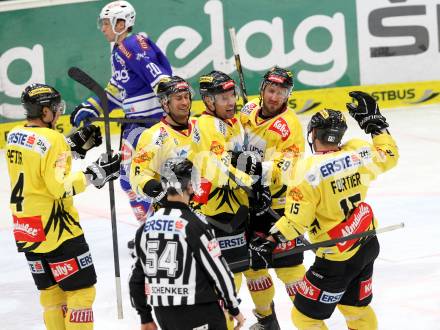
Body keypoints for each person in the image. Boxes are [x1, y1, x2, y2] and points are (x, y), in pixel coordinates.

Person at [254, 92, 399, 329]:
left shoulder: (306, 172)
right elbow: (390, 156)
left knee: (305, 317)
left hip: (335, 261)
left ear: (312, 134)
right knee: (356, 310)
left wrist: (268, 241)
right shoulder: (358, 153)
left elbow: (295, 223)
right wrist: (376, 124)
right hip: (366, 244)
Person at [6, 83, 121, 330]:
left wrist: (73, 148)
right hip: (58, 231)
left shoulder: (14, 135)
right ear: (45, 112)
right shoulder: (54, 140)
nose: (59, 113)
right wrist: (96, 173)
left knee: (51, 296)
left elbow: (39, 164)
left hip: (27, 228)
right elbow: (59, 187)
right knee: (81, 293)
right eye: (55, 108)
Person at [70, 0, 172, 225]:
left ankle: (158, 227)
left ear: (121, 22)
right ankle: (151, 227)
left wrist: (166, 92)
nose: (103, 28)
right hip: (135, 125)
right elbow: (117, 91)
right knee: (130, 179)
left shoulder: (133, 44)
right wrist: (92, 106)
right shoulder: (119, 50)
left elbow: (159, 76)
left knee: (144, 177)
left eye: (106, 23)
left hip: (150, 125)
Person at [188, 71, 270, 329]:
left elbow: (240, 156)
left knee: (255, 270)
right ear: (208, 101)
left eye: (231, 95)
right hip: (217, 212)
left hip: (238, 207)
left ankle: (268, 319)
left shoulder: (232, 121)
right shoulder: (207, 125)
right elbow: (221, 169)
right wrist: (254, 182)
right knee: (229, 275)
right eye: (222, 98)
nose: (230, 101)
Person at [129, 158, 245, 330]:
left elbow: (136, 279)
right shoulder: (194, 225)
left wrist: (145, 317)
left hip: (164, 315)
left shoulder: (145, 228)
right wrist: (233, 307)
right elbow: (218, 270)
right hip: (200, 311)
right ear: (190, 186)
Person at [240, 67, 306, 329]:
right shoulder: (248, 110)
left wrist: (257, 169)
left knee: (289, 269)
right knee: (254, 268)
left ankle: (308, 319)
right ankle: (266, 320)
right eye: (271, 90)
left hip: (278, 205)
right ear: (263, 89)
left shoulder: (289, 126)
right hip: (248, 202)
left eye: (281, 92)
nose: (275, 97)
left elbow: (287, 166)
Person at [130, 76, 196, 208]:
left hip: (208, 210)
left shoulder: (199, 126)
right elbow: (137, 176)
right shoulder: (154, 136)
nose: (185, 102)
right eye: (178, 98)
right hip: (175, 214)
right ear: (165, 103)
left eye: (186, 96)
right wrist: (158, 191)